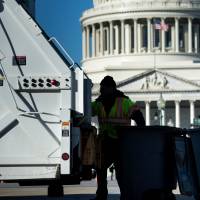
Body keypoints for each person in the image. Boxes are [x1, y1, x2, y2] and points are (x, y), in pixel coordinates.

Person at [91, 76, 145, 200]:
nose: (100, 91)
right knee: (100, 168)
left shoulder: (125, 102)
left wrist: (139, 134)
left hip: (121, 142)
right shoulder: (99, 103)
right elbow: (87, 111)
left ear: (111, 88)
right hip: (106, 141)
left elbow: (138, 117)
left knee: (121, 172)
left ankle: (125, 195)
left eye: (103, 89)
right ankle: (102, 194)